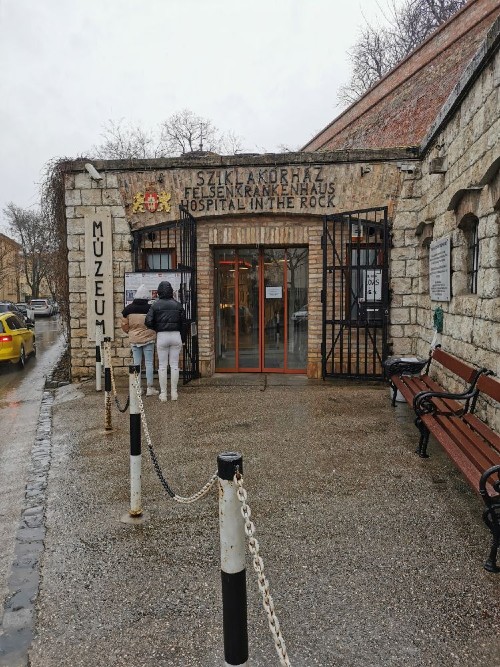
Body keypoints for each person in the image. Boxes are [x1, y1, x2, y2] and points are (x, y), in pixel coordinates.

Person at [145, 281, 186, 402]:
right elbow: (184, 323)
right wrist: (182, 338)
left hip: (162, 335)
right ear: (171, 291)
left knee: (162, 366)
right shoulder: (178, 305)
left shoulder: (155, 305)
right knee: (174, 365)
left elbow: (148, 321)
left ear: (159, 291)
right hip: (175, 335)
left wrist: (157, 328)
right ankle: (174, 393)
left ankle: (163, 394)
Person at [121, 285, 159, 396]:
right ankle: (150, 387)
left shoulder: (128, 310)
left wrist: (130, 332)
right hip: (149, 339)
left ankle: (138, 388)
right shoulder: (151, 308)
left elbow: (124, 325)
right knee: (149, 363)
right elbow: (155, 323)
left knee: (136, 363)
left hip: (134, 339)